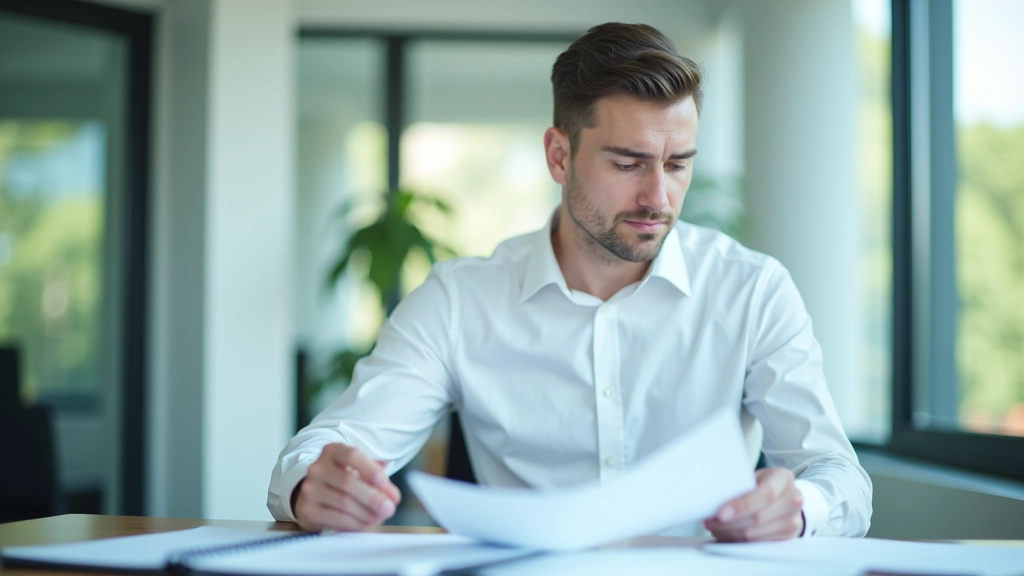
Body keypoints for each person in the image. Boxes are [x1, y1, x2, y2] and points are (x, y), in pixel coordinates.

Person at [269, 22, 872, 542]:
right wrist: (312, 484)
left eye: (678, 164)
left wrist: (799, 509)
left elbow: (838, 476)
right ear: (559, 156)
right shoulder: (459, 302)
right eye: (628, 163)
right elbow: (326, 445)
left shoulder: (754, 292)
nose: (658, 197)